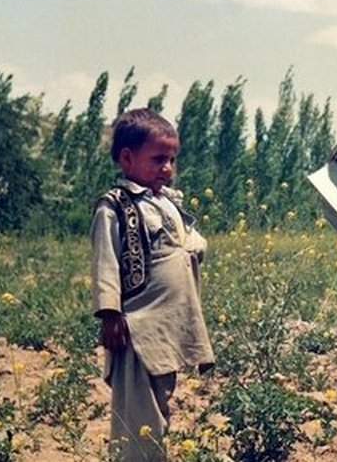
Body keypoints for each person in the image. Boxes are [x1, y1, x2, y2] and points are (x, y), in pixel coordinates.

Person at [90, 107, 214, 462]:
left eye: (172, 159)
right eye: (158, 159)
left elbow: (190, 242)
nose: (168, 168)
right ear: (127, 159)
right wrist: (111, 314)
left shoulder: (166, 203)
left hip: (168, 327)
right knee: (137, 416)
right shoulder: (115, 207)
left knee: (159, 403)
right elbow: (106, 262)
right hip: (136, 329)